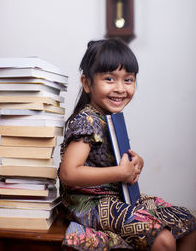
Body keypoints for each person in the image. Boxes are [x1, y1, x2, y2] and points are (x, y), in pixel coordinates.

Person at [59, 38, 196, 251]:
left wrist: (135, 161)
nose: (120, 88)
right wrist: (119, 173)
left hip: (116, 195)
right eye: (109, 79)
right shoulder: (87, 121)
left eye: (128, 80)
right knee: (163, 240)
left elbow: (106, 158)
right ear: (87, 83)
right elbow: (69, 173)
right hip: (90, 203)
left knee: (188, 223)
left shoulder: (109, 117)